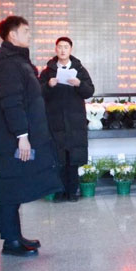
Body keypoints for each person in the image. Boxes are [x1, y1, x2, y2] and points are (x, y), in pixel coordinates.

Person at [0, 16, 63, 257]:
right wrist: (22, 136)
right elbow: (12, 103)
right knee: (10, 187)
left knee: (14, 186)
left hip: (14, 136)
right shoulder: (9, 64)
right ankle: (11, 241)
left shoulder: (17, 61)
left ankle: (14, 236)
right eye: (26, 31)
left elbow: (29, 96)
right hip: (11, 138)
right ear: (12, 35)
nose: (30, 34)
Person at [38, 37, 95, 202]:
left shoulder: (79, 69)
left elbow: (89, 91)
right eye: (60, 47)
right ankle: (59, 192)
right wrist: (48, 85)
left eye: (66, 47)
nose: (62, 50)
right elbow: (38, 92)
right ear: (55, 49)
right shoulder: (48, 71)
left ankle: (72, 192)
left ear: (71, 50)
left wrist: (79, 84)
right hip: (55, 120)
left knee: (73, 158)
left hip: (75, 121)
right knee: (58, 158)